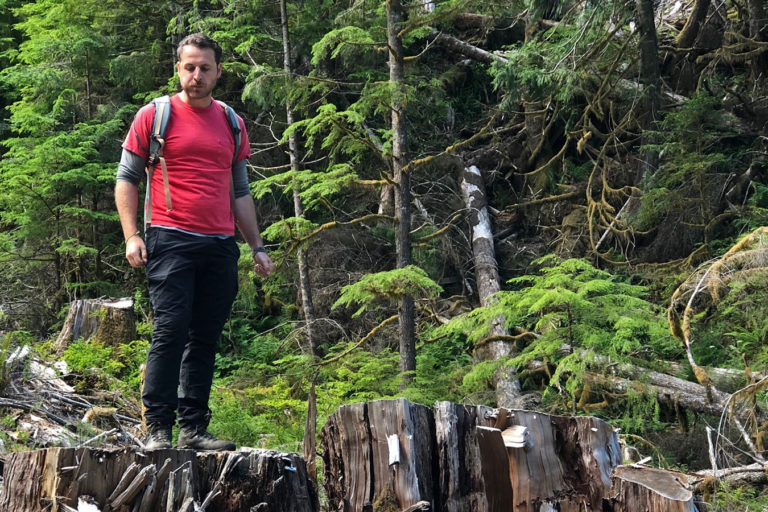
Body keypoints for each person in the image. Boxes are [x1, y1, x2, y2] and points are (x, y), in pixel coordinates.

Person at [115, 33, 274, 451]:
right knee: (170, 330)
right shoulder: (156, 115)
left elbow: (239, 189)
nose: (196, 75)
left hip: (220, 243)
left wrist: (256, 245)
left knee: (205, 336)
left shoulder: (230, 122)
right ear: (178, 68)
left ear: (218, 72)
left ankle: (193, 429)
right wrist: (132, 235)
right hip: (170, 238)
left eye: (205, 68)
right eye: (189, 67)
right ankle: (158, 430)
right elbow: (126, 178)